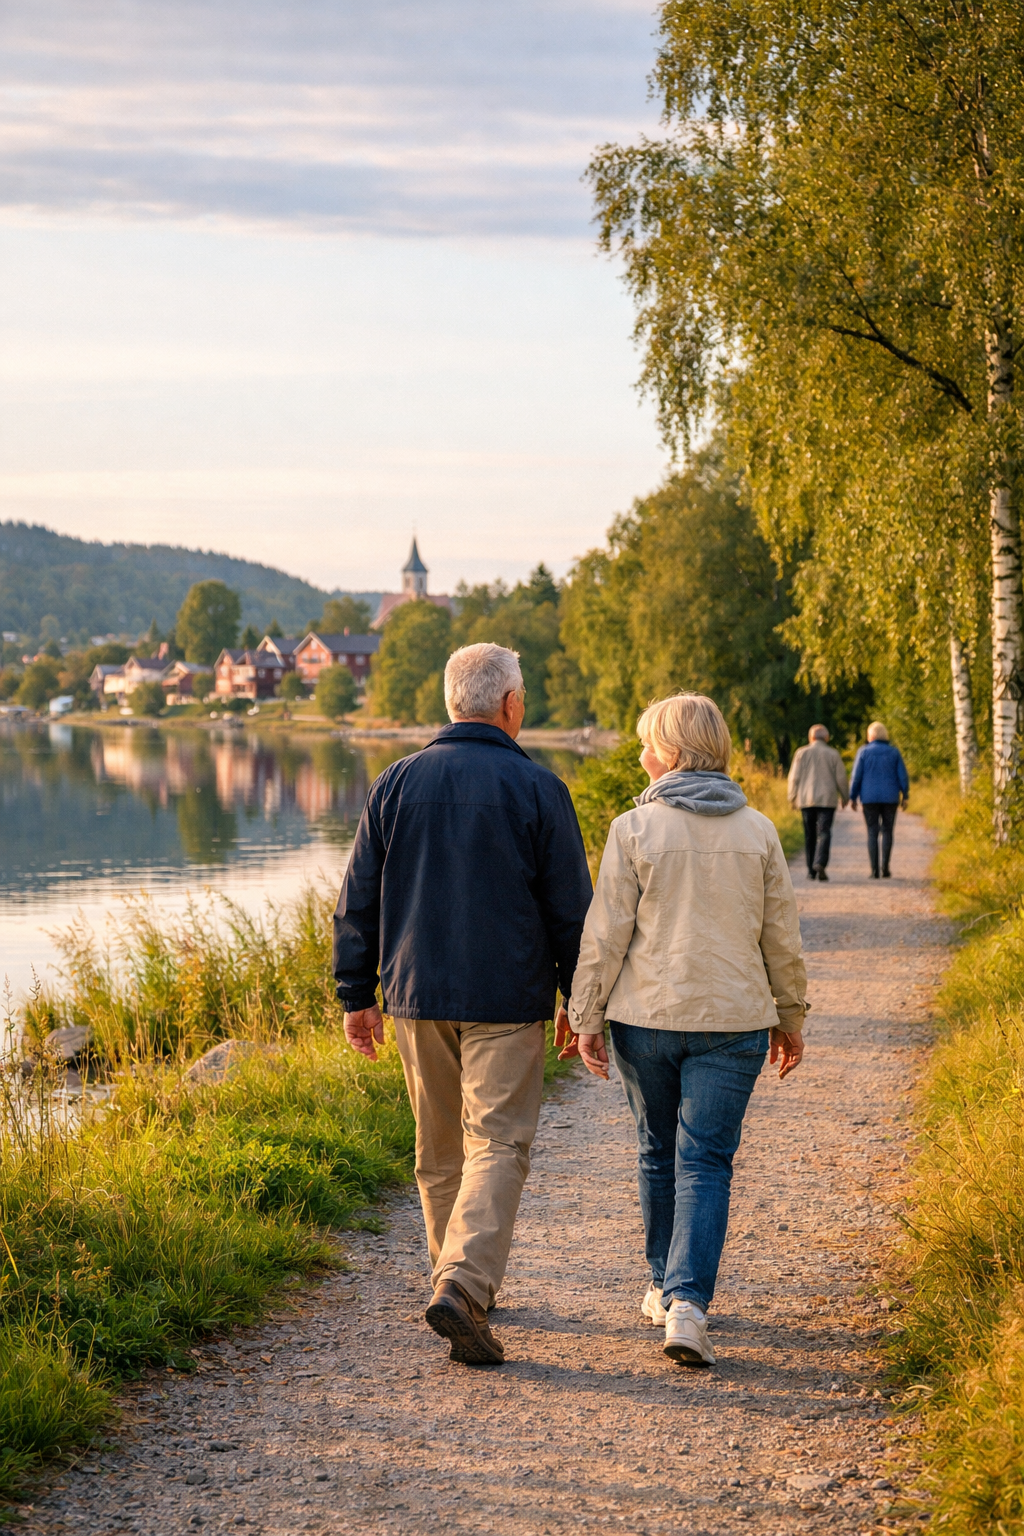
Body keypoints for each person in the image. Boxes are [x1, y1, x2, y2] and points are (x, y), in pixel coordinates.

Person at [333, 642, 592, 1366]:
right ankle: (465, 1283)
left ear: (451, 703)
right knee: (500, 1142)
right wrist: (582, 995)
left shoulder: (394, 783)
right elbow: (572, 910)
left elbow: (357, 899)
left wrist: (357, 993)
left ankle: (457, 1275)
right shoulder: (540, 789)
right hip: (505, 995)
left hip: (415, 994)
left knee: (440, 1150)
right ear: (510, 705)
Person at [568, 693, 806, 1367]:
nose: (643, 757)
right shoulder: (757, 831)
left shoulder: (633, 830)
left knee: (656, 1151)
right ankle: (687, 1306)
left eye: (648, 745)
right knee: (705, 1161)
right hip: (735, 1024)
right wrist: (790, 1017)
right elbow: (781, 939)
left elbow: (605, 935)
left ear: (669, 754)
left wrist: (585, 1016)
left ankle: (662, 1286)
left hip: (645, 1020)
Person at [787, 725, 849, 882]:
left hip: (806, 800)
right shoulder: (833, 754)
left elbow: (794, 777)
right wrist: (845, 797)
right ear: (826, 738)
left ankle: (810, 871)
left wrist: (792, 797)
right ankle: (820, 862)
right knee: (824, 832)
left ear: (811, 737)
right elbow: (841, 778)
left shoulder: (801, 753)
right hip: (827, 800)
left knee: (809, 835)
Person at [849, 722, 909, 879]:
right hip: (890, 798)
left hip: (869, 799)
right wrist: (905, 795)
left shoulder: (863, 752)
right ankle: (885, 868)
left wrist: (853, 797)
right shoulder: (894, 752)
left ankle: (874, 870)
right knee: (888, 831)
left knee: (872, 832)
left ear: (871, 736)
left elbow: (856, 776)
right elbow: (902, 776)